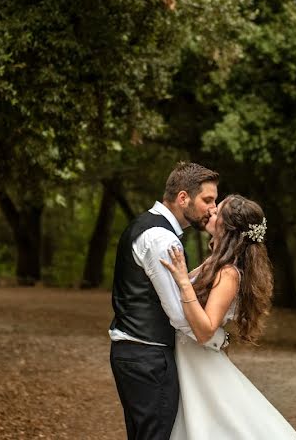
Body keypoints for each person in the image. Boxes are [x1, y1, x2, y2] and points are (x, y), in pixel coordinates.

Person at [160, 194, 296, 439]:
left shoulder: (228, 273)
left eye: (217, 212)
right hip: (191, 361)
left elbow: (205, 330)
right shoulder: (215, 265)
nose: (211, 212)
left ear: (227, 227)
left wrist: (184, 282)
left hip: (199, 364)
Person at [109, 162, 229, 440]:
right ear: (183, 197)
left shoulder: (149, 227)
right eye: (207, 200)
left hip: (136, 354)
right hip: (148, 358)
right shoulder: (162, 239)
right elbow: (178, 313)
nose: (212, 208)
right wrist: (217, 339)